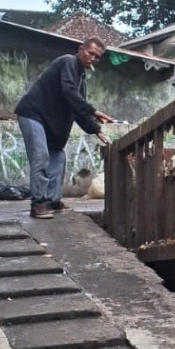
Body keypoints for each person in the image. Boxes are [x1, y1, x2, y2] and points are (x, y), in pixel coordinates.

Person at [15, 37, 115, 219]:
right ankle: (37, 204)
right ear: (81, 49)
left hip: (49, 122)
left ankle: (53, 201)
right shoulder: (68, 62)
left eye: (97, 57)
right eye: (90, 53)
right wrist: (94, 110)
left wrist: (96, 130)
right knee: (41, 155)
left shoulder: (81, 80)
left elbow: (78, 110)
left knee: (58, 157)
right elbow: (69, 92)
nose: (92, 58)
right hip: (32, 113)